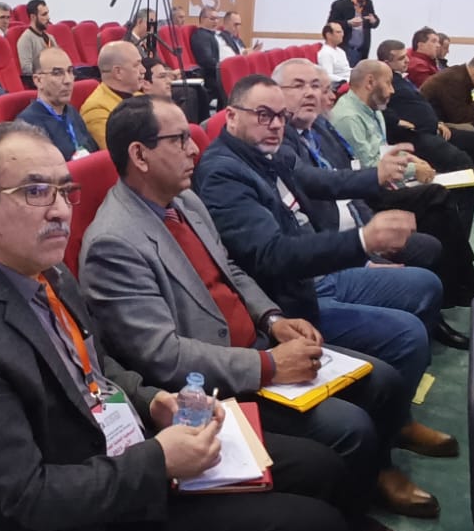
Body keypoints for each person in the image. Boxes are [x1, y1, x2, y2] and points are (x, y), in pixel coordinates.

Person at [0, 121, 373, 531]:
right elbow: (25, 500)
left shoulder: (45, 268)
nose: (60, 211)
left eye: (65, 191)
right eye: (35, 192)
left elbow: (93, 366)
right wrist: (158, 461)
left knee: (321, 468)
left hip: (125, 454)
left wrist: (154, 402)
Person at [81, 96, 434, 531]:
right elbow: (163, 355)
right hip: (216, 382)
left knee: (382, 381)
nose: (194, 149)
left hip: (261, 342)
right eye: (179, 140)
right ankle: (348, 526)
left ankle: (367, 485)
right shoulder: (114, 242)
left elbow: (230, 269)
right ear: (139, 155)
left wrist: (273, 318)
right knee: (350, 428)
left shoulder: (184, 200)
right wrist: (268, 365)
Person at [195, 74, 459, 457]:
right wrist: (363, 242)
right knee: (408, 335)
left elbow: (318, 181)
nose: (275, 125)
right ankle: (384, 448)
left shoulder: (270, 151)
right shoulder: (223, 173)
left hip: (320, 272)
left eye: (280, 116)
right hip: (291, 295)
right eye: (264, 114)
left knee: (426, 285)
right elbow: (272, 256)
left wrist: (375, 176)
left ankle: (396, 418)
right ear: (232, 116)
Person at [275, 59, 474, 311]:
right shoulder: (283, 141)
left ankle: (456, 287)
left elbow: (349, 174)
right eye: (299, 86)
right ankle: (462, 284)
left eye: (317, 87)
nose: (317, 95)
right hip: (339, 232)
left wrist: (367, 221)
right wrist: (365, 242)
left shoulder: (320, 126)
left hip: (359, 207)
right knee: (436, 201)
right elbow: (327, 182)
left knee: (437, 218)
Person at [377, 39, 474, 181]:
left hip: (432, 128)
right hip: (415, 135)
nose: (407, 60)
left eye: (406, 56)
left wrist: (437, 123)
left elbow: (420, 104)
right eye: (401, 58)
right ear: (386, 63)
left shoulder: (401, 78)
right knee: (461, 160)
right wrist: (396, 121)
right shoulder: (384, 82)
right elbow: (379, 107)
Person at [18, 47, 99, 161]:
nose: (68, 80)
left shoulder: (71, 111)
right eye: (57, 73)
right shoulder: (27, 125)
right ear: (38, 80)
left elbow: (94, 150)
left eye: (70, 71)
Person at [82, 41, 144, 150]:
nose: (143, 70)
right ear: (118, 72)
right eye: (136, 65)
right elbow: (117, 152)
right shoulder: (96, 109)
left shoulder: (139, 96)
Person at [327, 0, 379, 67]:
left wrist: (374, 21)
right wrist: (348, 23)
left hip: (363, 49)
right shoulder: (340, 4)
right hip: (346, 48)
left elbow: (374, 20)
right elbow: (330, 24)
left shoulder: (368, 3)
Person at [188, 8, 229, 104]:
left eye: (217, 19)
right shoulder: (201, 36)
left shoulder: (217, 34)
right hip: (213, 75)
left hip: (223, 70)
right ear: (202, 19)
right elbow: (206, 61)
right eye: (212, 19)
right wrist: (225, 68)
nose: (216, 22)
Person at [16, 0, 53, 78]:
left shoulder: (50, 37)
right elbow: (27, 71)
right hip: (43, 80)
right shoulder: (26, 39)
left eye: (47, 13)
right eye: (44, 14)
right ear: (33, 17)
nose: (48, 18)